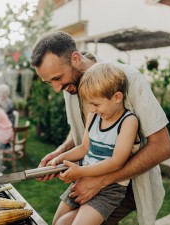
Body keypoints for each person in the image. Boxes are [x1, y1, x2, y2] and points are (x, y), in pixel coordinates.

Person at [31, 31, 170, 225]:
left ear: (75, 58)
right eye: (50, 83)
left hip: (125, 183)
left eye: (57, 78)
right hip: (89, 174)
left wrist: (100, 181)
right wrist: (61, 153)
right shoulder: (70, 84)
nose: (56, 88)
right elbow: (83, 130)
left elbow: (162, 147)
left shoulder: (129, 79)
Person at [49, 63, 141, 225]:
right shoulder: (94, 116)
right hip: (84, 179)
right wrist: (60, 158)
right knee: (58, 222)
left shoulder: (128, 122)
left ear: (117, 98)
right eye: (89, 104)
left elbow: (117, 162)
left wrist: (80, 171)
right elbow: (84, 148)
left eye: (96, 104)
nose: (91, 109)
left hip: (110, 188)